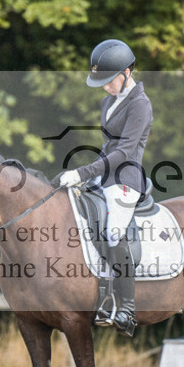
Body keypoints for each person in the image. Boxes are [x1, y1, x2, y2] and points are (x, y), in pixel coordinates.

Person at [58, 39, 152, 337]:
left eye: (107, 80)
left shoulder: (141, 105)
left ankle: (127, 306)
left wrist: (84, 171)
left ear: (126, 73)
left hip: (125, 179)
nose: (103, 87)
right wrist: (86, 177)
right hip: (104, 175)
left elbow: (124, 152)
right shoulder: (108, 101)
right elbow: (107, 146)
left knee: (113, 232)